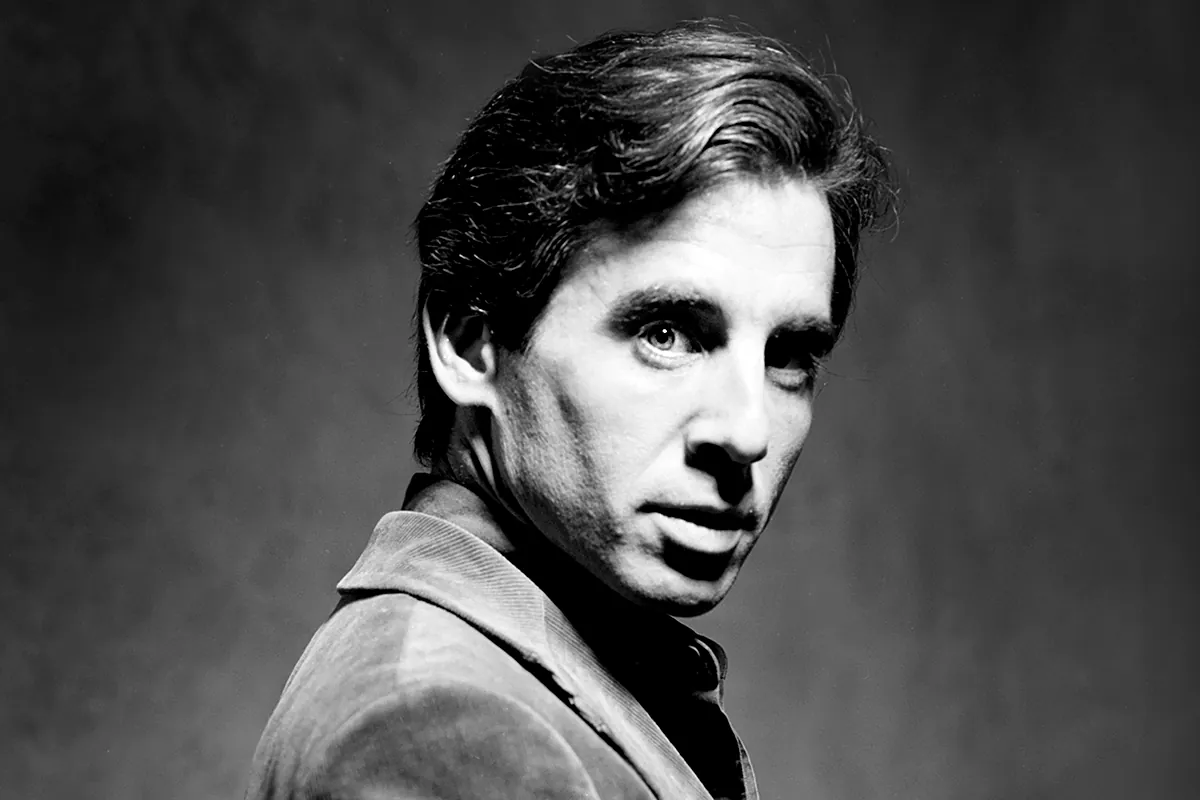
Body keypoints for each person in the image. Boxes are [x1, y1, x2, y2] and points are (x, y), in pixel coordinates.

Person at [246, 18, 894, 800]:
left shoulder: (544, 680)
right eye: (665, 334)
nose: (746, 432)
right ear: (471, 345)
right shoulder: (442, 730)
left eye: (787, 355)